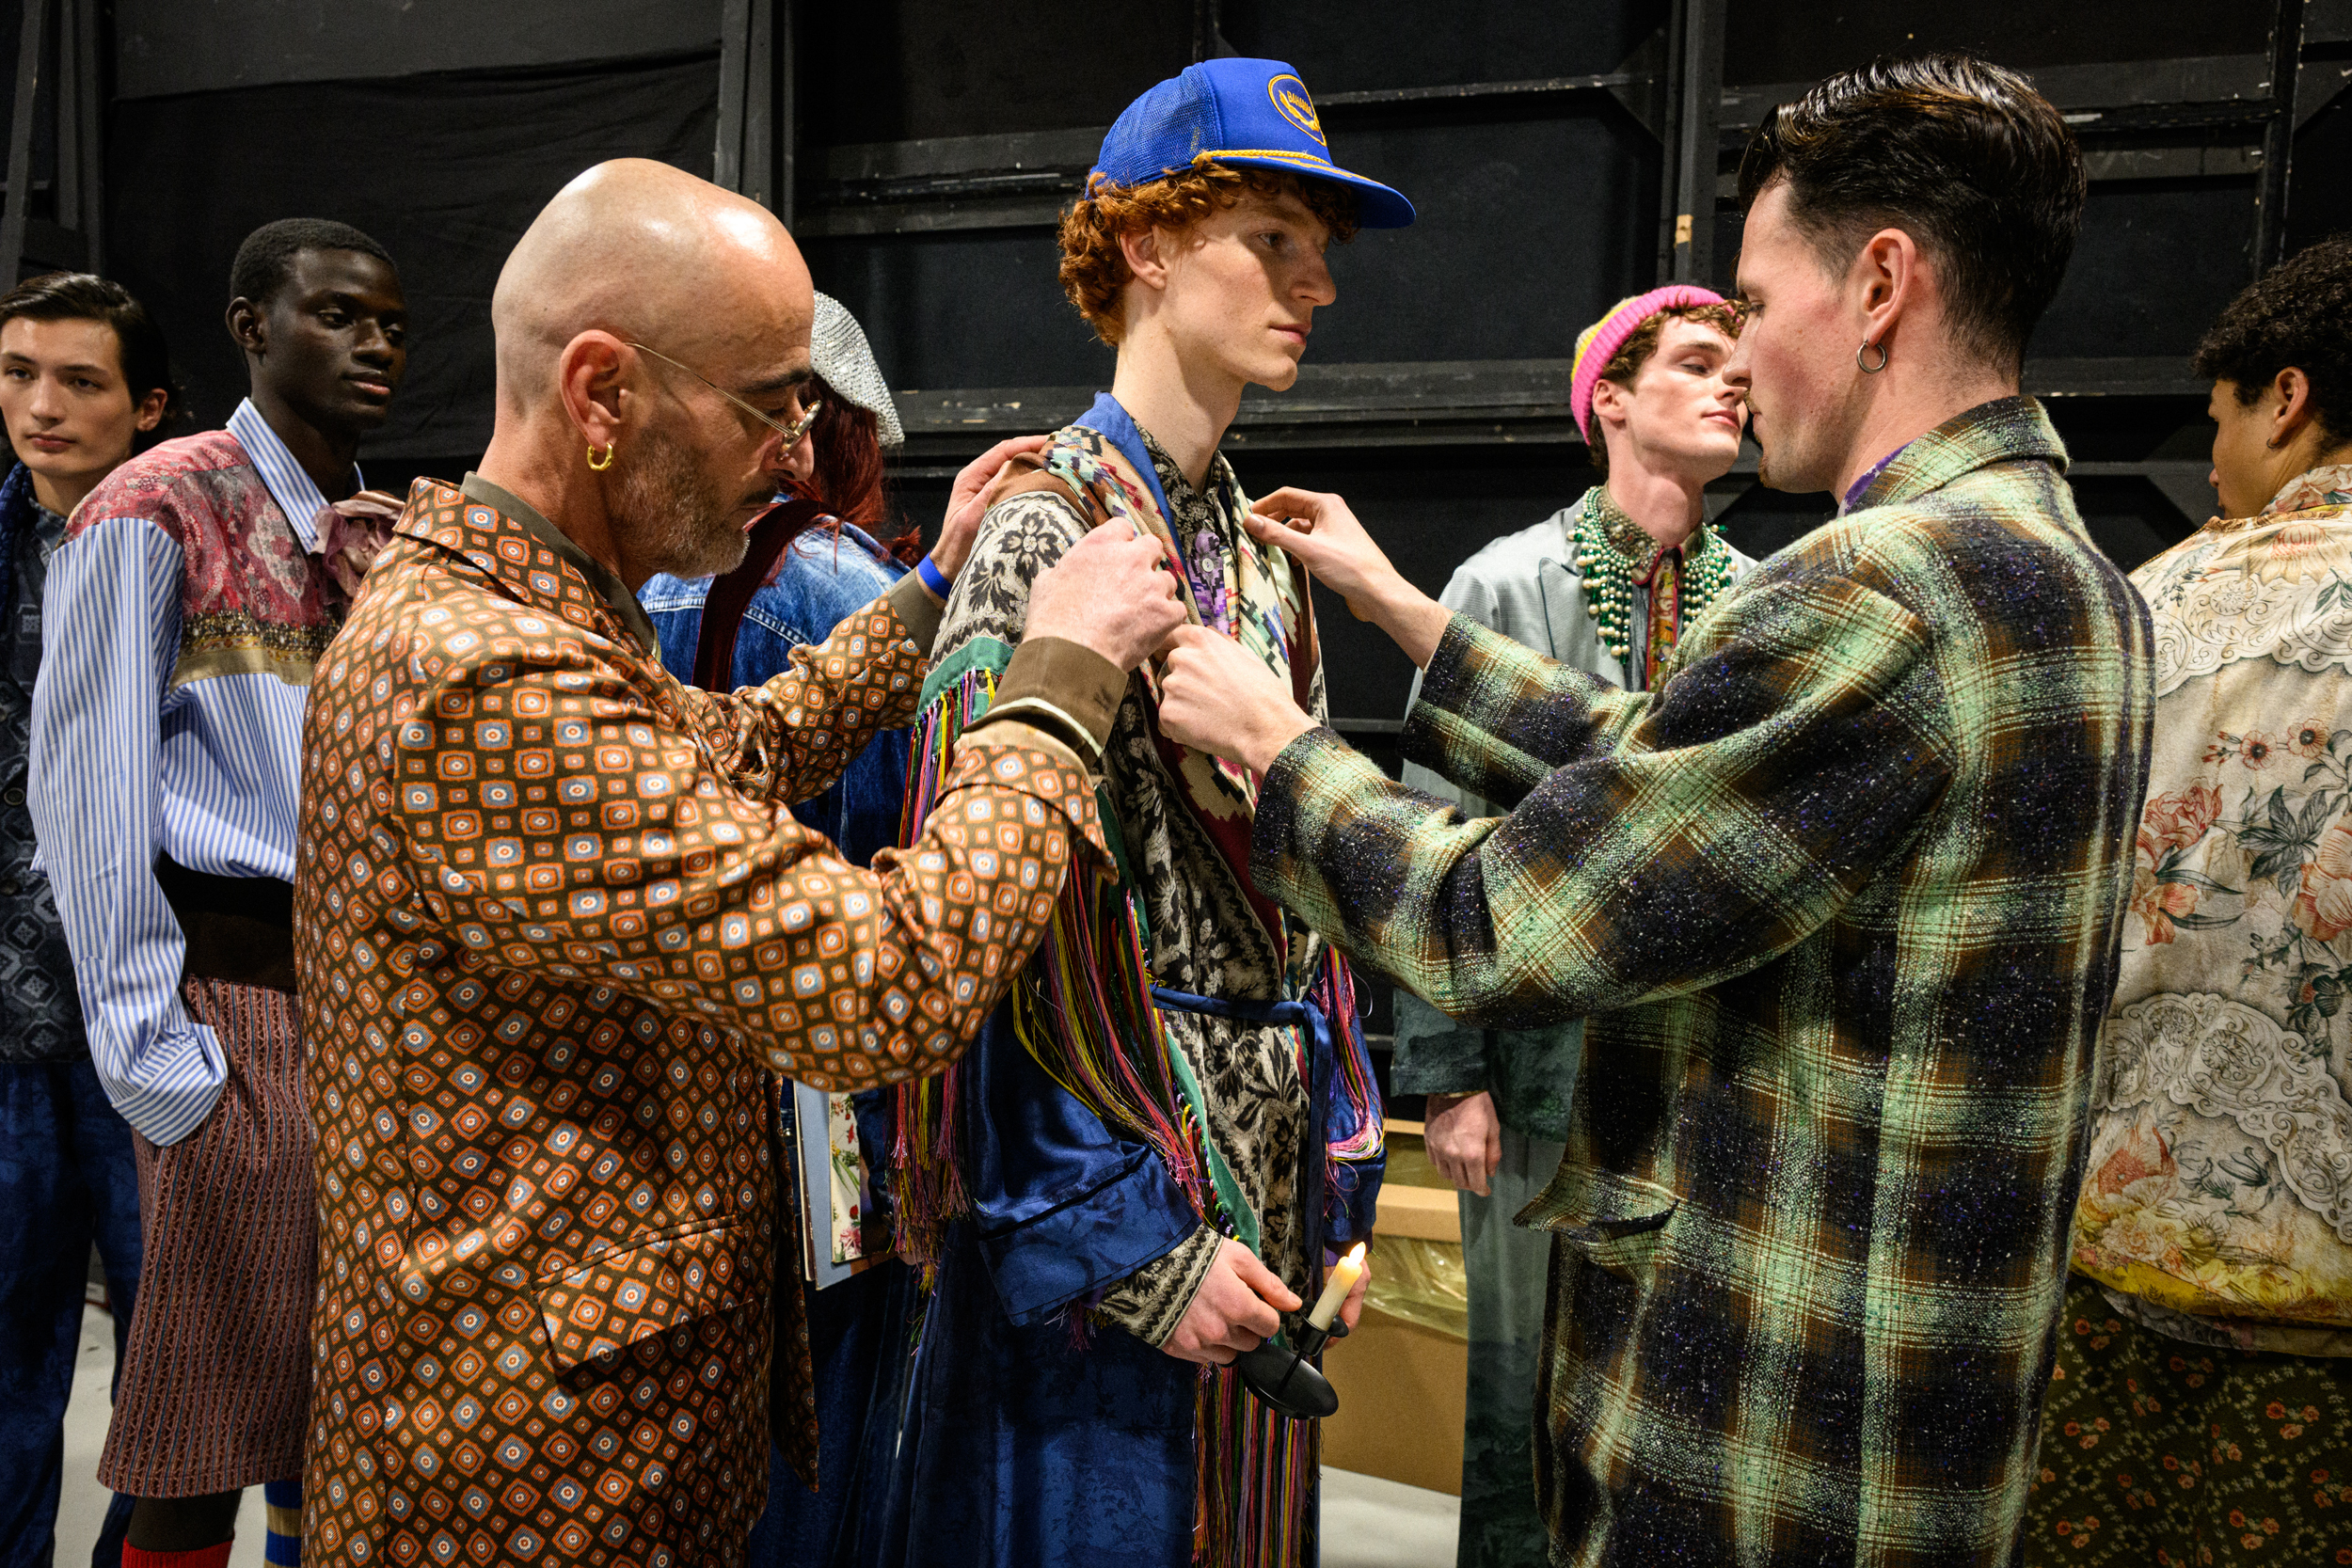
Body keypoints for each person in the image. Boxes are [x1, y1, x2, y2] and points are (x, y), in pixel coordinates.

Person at [1153, 53, 2155, 1562]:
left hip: (1767, 1441)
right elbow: (1682, 765)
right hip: (1909, 1421)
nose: (1739, 361)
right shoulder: (2067, 573)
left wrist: (1283, 751)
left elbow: (1502, 915)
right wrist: (1420, 627)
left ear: (1881, 283)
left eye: (1752, 305)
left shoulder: (1881, 586)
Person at [289, 157, 1183, 1568]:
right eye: (770, 402)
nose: (796, 447)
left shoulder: (536, 615)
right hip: (539, 1495)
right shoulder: (480, 675)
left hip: (594, 1446)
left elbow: (729, 751)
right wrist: (1059, 683)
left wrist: (930, 597)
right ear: (602, 396)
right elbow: (881, 982)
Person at [872, 59, 1404, 1568]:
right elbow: (981, 919)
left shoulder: (1263, 554)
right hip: (1112, 1231)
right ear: (1148, 246)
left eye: (1323, 251)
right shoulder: (1047, 527)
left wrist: (1341, 1175)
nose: (1315, 285)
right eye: (1271, 240)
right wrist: (1116, 1239)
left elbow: (1307, 902)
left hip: (1268, 1207)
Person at [29, 219, 411, 1568]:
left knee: (337, 1415)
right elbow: (85, 794)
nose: (373, 342)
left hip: (374, 1028)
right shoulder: (150, 505)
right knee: (198, 1437)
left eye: (390, 323)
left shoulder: (393, 537)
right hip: (230, 1005)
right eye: (336, 314)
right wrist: (156, 1058)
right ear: (252, 325)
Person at [1392, 285, 1751, 1568]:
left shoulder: (1768, 597)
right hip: (1541, 1073)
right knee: (1522, 1408)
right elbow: (1439, 834)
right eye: (1700, 363)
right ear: (1609, 396)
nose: (1735, 384)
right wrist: (1449, 1077)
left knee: (1685, 1408)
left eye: (1742, 367)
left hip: (1711, 1085)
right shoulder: (1503, 582)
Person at [2022, 235, 2352, 1566]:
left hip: (2105, 1273)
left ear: (2284, 399)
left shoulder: (2140, 612)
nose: (2211, 467)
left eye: (2219, 423)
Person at [638, 291, 922, 1563]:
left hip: (672, 1072)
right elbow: (891, 845)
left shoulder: (633, 579)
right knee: (826, 1424)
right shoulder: (847, 585)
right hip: (825, 1090)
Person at [0, 273, 173, 1568]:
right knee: (4, 1376)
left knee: (171, 1387)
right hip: (5, 1038)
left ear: (146, 406)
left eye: (79, 381)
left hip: (146, 1038)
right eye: (18, 373)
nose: (41, 406)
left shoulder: (185, 555)